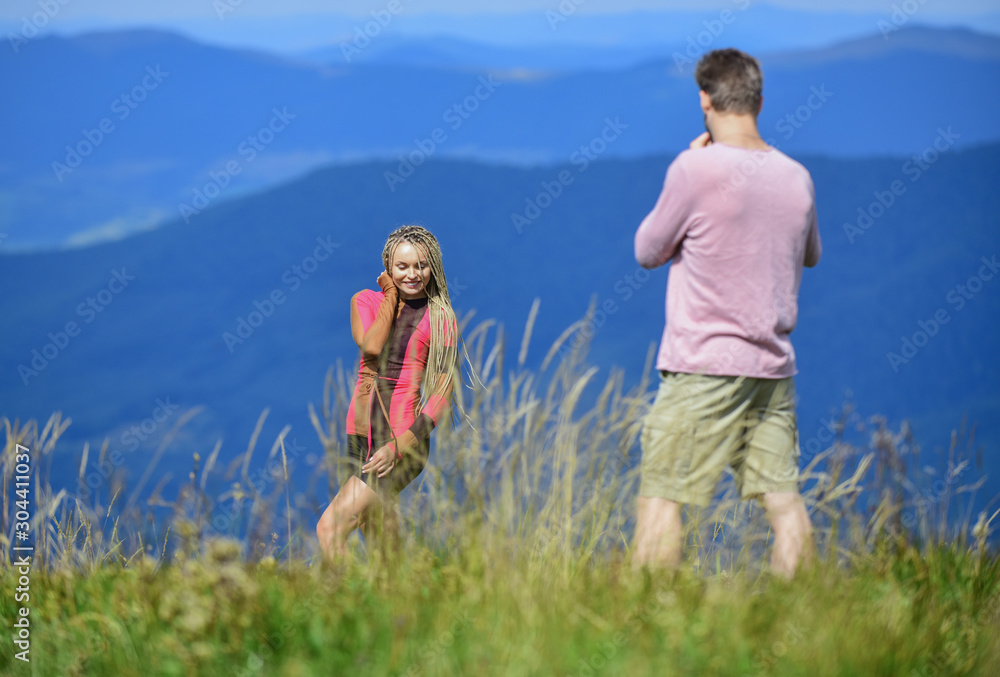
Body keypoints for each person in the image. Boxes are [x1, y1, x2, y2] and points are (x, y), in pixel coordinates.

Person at [631, 48, 822, 578]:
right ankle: (797, 617)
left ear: (704, 100)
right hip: (772, 369)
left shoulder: (695, 167)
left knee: (663, 499)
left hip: (702, 364)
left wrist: (694, 166)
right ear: (760, 101)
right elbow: (811, 253)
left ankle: (646, 619)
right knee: (784, 503)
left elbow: (648, 250)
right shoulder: (797, 176)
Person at [316, 225, 462, 562]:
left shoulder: (441, 318)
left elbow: (442, 393)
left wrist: (400, 446)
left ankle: (342, 611)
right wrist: (391, 296)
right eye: (403, 266)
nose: (413, 274)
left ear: (433, 268)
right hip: (358, 438)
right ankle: (401, 607)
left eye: (422, 265)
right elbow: (372, 344)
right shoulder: (366, 300)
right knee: (381, 541)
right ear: (387, 267)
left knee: (330, 528)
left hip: (401, 441)